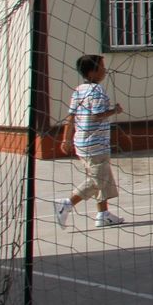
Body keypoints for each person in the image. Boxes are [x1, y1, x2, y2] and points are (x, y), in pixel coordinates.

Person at [53, 54, 126, 228]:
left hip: (82, 143)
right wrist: (114, 110)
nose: (105, 70)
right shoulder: (97, 91)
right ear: (92, 72)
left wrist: (66, 139)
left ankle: (103, 214)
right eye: (102, 67)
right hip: (96, 145)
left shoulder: (78, 90)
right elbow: (97, 115)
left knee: (102, 177)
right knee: (97, 180)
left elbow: (70, 117)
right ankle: (66, 204)